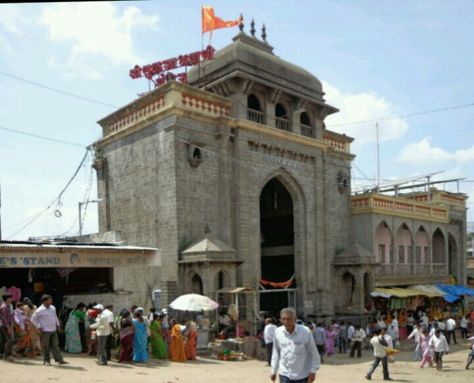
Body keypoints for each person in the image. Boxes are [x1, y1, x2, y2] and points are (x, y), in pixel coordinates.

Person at [270, 307, 320, 383]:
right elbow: (276, 353)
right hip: (285, 374)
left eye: (289, 319)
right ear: (280, 320)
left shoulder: (305, 332)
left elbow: (314, 352)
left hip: (302, 375)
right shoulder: (277, 332)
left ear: (295, 319)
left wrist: (313, 370)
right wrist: (273, 370)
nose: (286, 321)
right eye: (284, 319)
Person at [31, 294, 68, 365]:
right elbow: (33, 319)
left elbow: (55, 317)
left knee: (55, 345)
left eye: (51, 300)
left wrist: (58, 325)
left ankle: (59, 360)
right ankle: (47, 360)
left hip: (53, 330)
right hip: (45, 331)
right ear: (44, 301)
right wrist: (39, 326)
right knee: (45, 346)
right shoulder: (39, 310)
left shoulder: (53, 308)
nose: (51, 301)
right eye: (49, 300)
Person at [0, 292, 15, 362]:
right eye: (10, 298)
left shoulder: (9, 305)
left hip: (7, 324)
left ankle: (2, 353)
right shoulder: (4, 307)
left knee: (3, 340)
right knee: (10, 340)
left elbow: (11, 316)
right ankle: (6, 355)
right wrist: (8, 327)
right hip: (4, 325)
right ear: (7, 299)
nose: (12, 299)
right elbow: (4, 318)